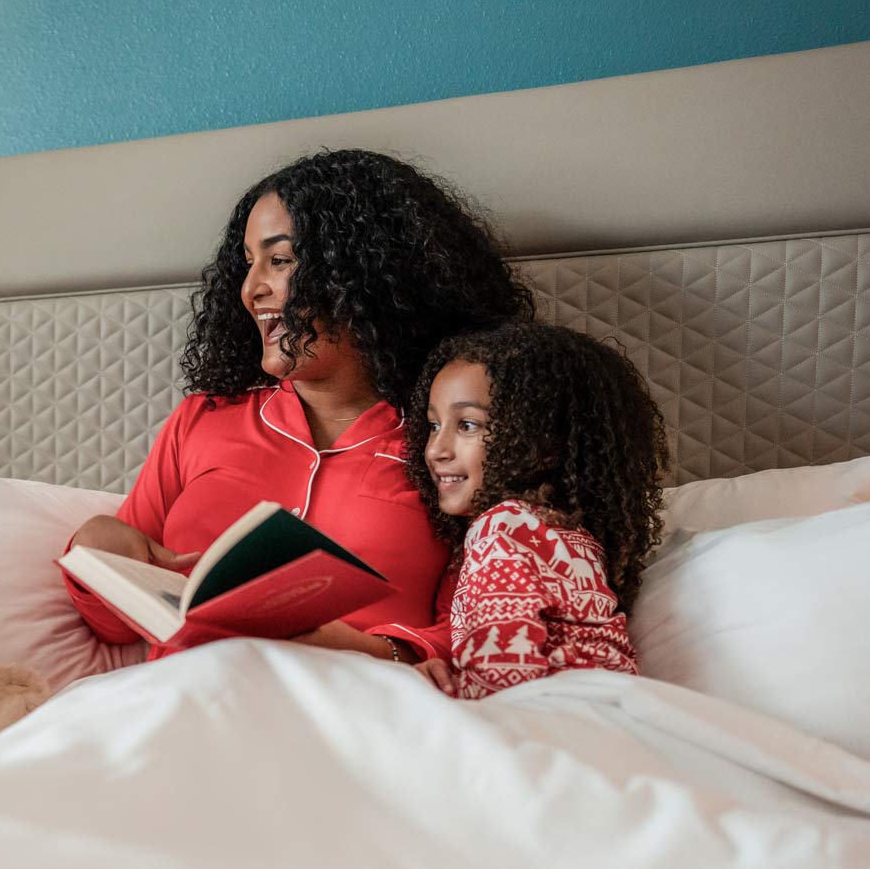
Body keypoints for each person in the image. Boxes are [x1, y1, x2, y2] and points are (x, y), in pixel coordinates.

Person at [61, 149, 533, 680]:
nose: (251, 289)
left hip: (360, 704)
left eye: (280, 261)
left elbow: (487, 618)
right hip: (184, 706)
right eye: (248, 264)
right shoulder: (202, 420)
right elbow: (116, 625)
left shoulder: (453, 439)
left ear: (366, 273)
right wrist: (96, 547)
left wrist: (367, 649)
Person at [404, 320, 667, 700]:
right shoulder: (567, 533)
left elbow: (504, 675)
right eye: (432, 425)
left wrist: (445, 696)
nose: (435, 450)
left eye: (467, 424)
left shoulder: (505, 525)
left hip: (553, 718)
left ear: (539, 440)